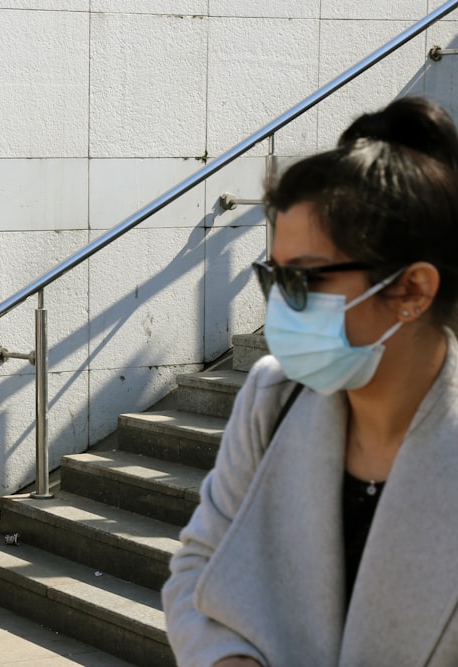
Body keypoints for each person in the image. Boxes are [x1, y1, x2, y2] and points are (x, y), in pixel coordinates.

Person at [162, 96, 458, 667]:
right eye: (273, 277)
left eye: (302, 280)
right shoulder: (273, 397)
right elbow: (196, 567)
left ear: (412, 291)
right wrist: (226, 659)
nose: (280, 307)